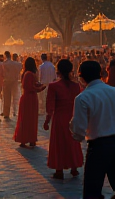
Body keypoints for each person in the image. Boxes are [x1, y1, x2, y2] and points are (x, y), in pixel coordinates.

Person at [70, 60, 115, 199]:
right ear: (101, 73)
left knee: (92, 191)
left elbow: (78, 132)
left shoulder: (83, 98)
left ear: (81, 77)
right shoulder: (113, 91)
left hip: (98, 147)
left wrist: (72, 127)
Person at [44, 59, 83, 180]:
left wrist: (47, 120)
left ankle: (59, 170)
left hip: (59, 118)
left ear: (58, 70)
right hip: (72, 116)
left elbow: (50, 105)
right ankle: (74, 167)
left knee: (59, 143)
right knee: (73, 142)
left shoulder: (53, 86)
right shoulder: (76, 86)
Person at [13, 57, 45, 147]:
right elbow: (29, 87)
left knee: (28, 119)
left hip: (29, 98)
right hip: (29, 98)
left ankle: (28, 139)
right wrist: (39, 88)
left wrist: (38, 85)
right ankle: (27, 139)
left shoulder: (27, 74)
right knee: (29, 119)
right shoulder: (29, 74)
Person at [2, 51, 22, 119]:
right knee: (15, 97)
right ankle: (15, 111)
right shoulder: (16, 64)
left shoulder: (4, 63)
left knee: (7, 98)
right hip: (14, 81)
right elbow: (20, 68)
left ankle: (6, 113)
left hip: (6, 81)